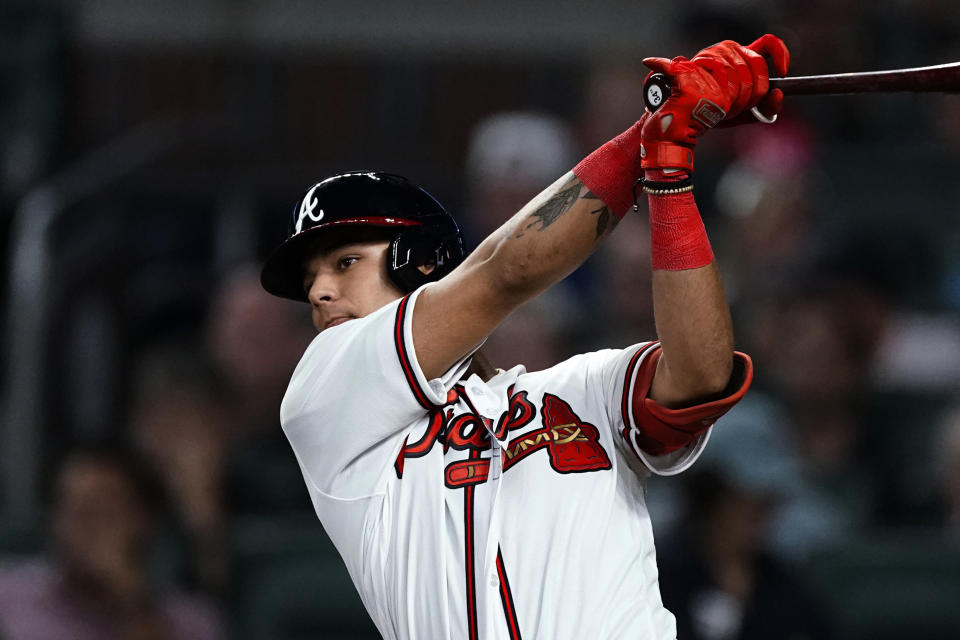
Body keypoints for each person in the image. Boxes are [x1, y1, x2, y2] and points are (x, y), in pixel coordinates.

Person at [259, 35, 789, 639]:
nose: (318, 293)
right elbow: (508, 272)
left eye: (345, 262)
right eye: (309, 280)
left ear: (423, 261)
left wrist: (669, 174)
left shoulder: (580, 387)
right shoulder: (325, 401)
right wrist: (651, 134)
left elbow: (698, 376)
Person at [0, 444, 224, 640]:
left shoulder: (191, 622)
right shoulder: (8, 596)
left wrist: (132, 601)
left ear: (144, 519)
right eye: (72, 508)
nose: (85, 527)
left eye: (103, 510)